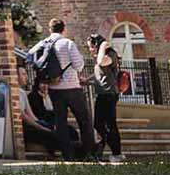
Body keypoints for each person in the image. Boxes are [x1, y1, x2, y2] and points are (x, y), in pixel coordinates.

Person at [28, 18, 95, 162]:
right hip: (72, 87)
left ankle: (67, 154)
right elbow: (78, 66)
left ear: (50, 29)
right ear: (64, 29)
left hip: (54, 88)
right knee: (84, 120)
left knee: (60, 121)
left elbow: (29, 55)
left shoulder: (43, 43)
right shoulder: (67, 43)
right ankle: (89, 153)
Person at [89, 33, 125, 160]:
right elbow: (100, 75)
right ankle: (105, 143)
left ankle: (117, 153)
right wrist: (86, 80)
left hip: (109, 94)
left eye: (92, 47)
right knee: (98, 124)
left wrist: (103, 46)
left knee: (110, 124)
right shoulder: (102, 55)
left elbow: (101, 62)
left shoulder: (110, 55)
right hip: (103, 94)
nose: (90, 50)